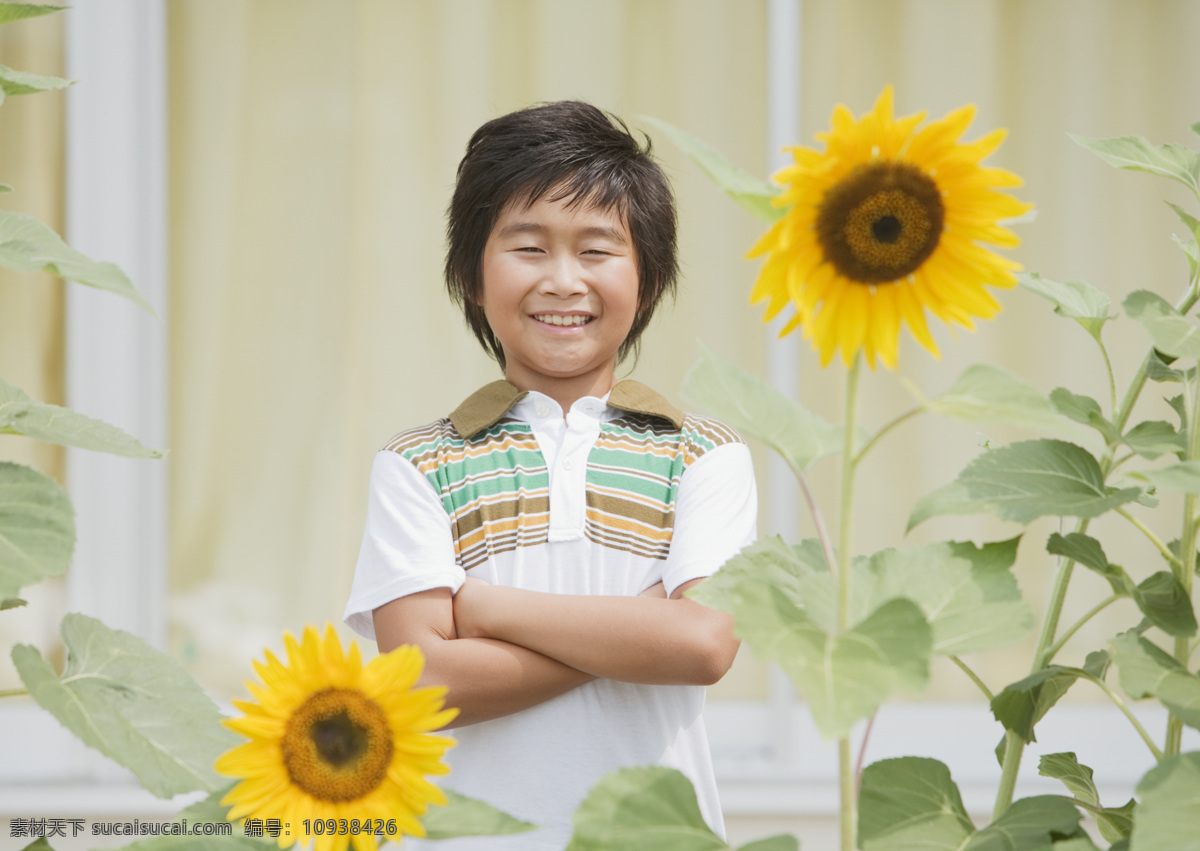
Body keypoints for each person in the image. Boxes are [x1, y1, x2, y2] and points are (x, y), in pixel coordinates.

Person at [343, 100, 757, 849]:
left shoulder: (705, 453)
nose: (564, 281)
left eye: (597, 250)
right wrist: (641, 629)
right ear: (471, 275)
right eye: (528, 248)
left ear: (648, 279)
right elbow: (423, 682)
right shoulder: (417, 463)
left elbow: (702, 648)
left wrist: (482, 605)